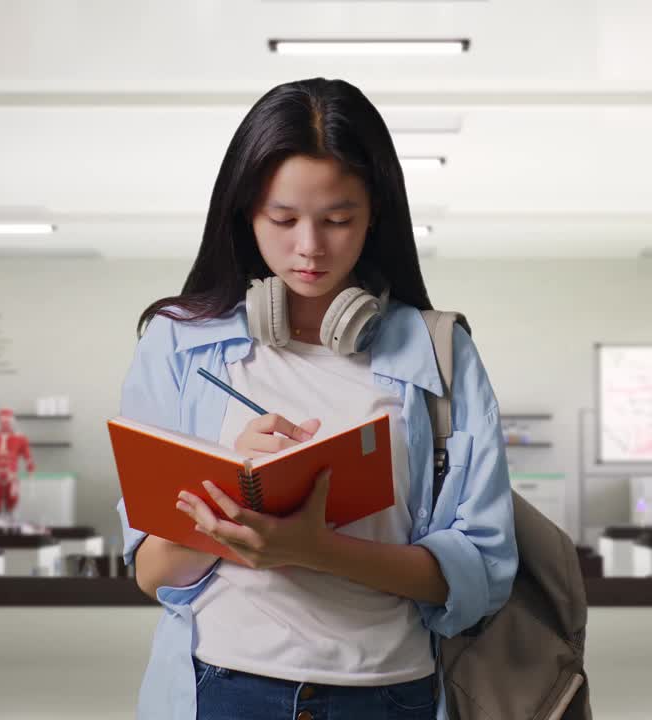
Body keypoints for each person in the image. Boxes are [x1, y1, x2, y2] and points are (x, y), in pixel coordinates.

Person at [115, 78, 517, 720]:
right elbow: (151, 570)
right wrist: (234, 484)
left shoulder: (439, 351)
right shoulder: (177, 344)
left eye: (338, 220)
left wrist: (316, 549)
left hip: (388, 693)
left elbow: (484, 572)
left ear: (375, 215)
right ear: (245, 212)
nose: (309, 246)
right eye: (283, 219)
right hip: (225, 687)